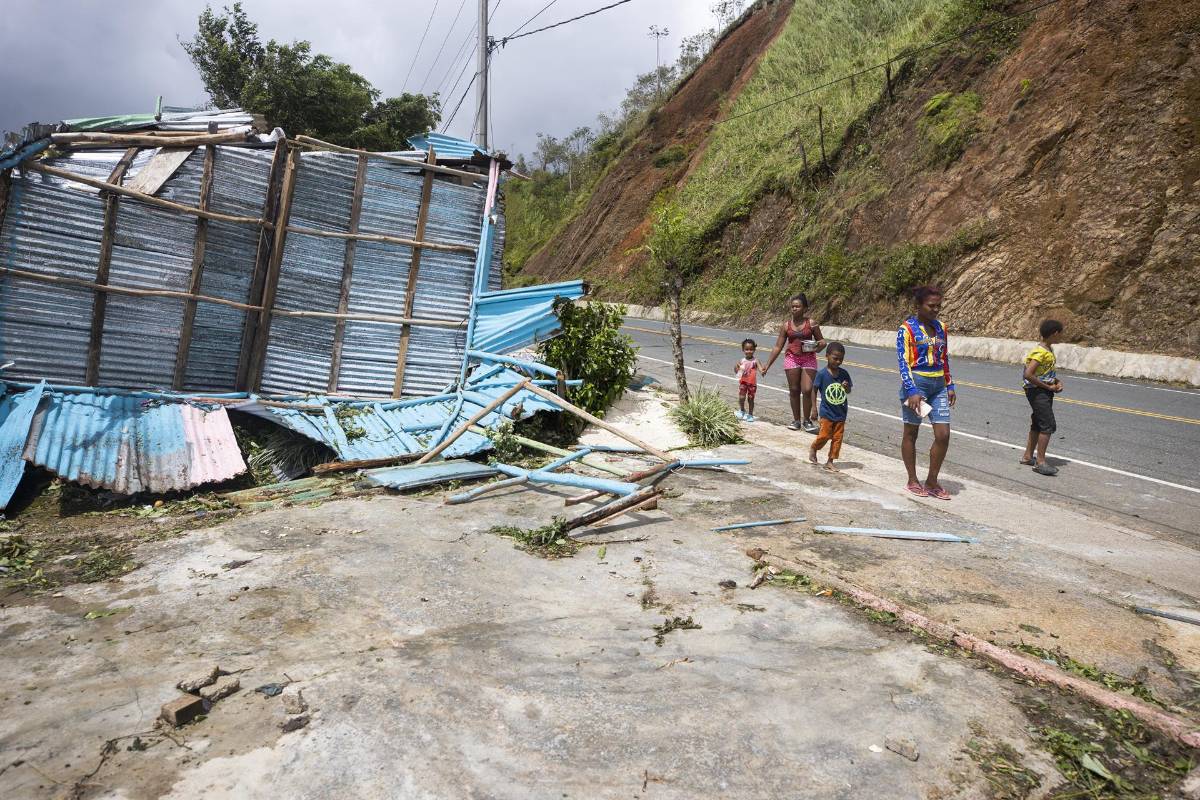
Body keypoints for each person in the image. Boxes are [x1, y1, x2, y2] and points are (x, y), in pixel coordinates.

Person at [897, 285, 956, 500]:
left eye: (938, 306)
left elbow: (944, 357)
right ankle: (912, 479)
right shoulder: (907, 329)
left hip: (938, 385)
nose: (936, 310)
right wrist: (911, 390)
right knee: (911, 433)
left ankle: (932, 480)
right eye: (931, 306)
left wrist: (949, 385)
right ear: (918, 306)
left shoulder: (941, 328)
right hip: (916, 386)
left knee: (943, 435)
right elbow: (903, 363)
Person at [762, 293, 825, 432]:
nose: (794, 309)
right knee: (794, 390)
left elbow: (822, 341)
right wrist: (767, 365)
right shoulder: (786, 326)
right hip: (792, 358)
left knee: (807, 390)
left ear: (805, 308)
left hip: (809, 358)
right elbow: (778, 346)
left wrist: (817, 346)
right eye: (792, 306)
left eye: (798, 306)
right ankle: (796, 420)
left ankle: (807, 421)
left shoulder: (812, 324)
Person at [1020, 319, 1065, 476]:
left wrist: (1055, 381)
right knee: (1047, 425)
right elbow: (1028, 374)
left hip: (1042, 390)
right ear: (1055, 333)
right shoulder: (1040, 352)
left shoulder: (1048, 349)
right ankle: (1040, 462)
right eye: (1060, 334)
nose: (1061, 337)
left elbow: (1044, 372)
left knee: (1038, 423)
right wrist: (1048, 387)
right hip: (1037, 392)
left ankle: (1027, 456)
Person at [809, 342, 852, 472]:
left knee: (837, 438)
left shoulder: (844, 374)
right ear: (827, 356)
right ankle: (814, 448)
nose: (838, 361)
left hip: (841, 412)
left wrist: (846, 387)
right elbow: (814, 389)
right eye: (835, 358)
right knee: (824, 435)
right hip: (827, 412)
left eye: (841, 359)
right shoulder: (822, 374)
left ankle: (830, 461)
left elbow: (848, 391)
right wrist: (814, 408)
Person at [733, 338, 762, 422]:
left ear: (754, 350)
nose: (749, 351)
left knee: (750, 399)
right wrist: (737, 367)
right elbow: (737, 371)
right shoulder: (742, 360)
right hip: (743, 382)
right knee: (741, 397)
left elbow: (761, 369)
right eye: (747, 349)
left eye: (751, 349)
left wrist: (763, 370)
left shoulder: (755, 361)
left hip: (752, 384)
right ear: (743, 350)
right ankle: (742, 410)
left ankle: (750, 414)